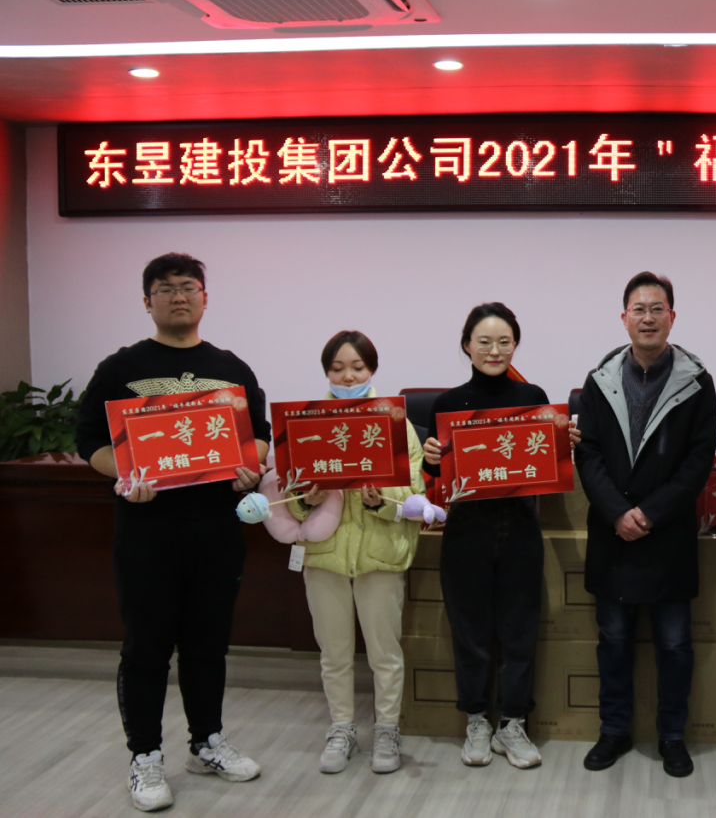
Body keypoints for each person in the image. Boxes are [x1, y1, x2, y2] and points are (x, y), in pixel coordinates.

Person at [74, 253, 270, 812]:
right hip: (147, 530)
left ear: (205, 298)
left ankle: (206, 742)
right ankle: (145, 755)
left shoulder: (231, 367)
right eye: (165, 289)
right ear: (147, 302)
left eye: (189, 287)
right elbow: (90, 442)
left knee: (208, 644)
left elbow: (258, 436)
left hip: (216, 530)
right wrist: (126, 472)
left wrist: (249, 464)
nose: (179, 296)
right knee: (147, 648)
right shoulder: (121, 367)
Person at [575, 271, 716, 778]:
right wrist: (618, 512)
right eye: (639, 309)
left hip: (668, 535)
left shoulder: (697, 382)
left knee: (675, 645)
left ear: (672, 317)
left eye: (658, 309)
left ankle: (672, 736)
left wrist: (651, 513)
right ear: (624, 318)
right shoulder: (599, 380)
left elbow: (698, 462)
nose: (648, 318)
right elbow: (588, 454)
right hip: (612, 534)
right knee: (613, 642)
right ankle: (613, 731)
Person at [278, 331, 430, 775]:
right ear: (326, 372)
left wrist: (379, 500)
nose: (348, 377)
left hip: (379, 555)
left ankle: (387, 730)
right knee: (334, 653)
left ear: (372, 370)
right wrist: (307, 499)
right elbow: (287, 498)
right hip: (324, 556)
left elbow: (415, 495)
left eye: (357, 368)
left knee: (385, 653)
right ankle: (341, 728)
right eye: (338, 368)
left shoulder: (396, 424)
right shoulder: (304, 424)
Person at [422, 303, 556, 770]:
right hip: (467, 530)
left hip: (520, 528)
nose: (494, 350)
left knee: (519, 632)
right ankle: (477, 720)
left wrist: (564, 444)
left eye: (503, 341)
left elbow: (546, 467)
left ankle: (512, 723)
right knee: (471, 633)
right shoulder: (446, 404)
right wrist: (431, 458)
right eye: (484, 341)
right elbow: (433, 477)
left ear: (515, 345)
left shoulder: (533, 396)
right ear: (467, 345)